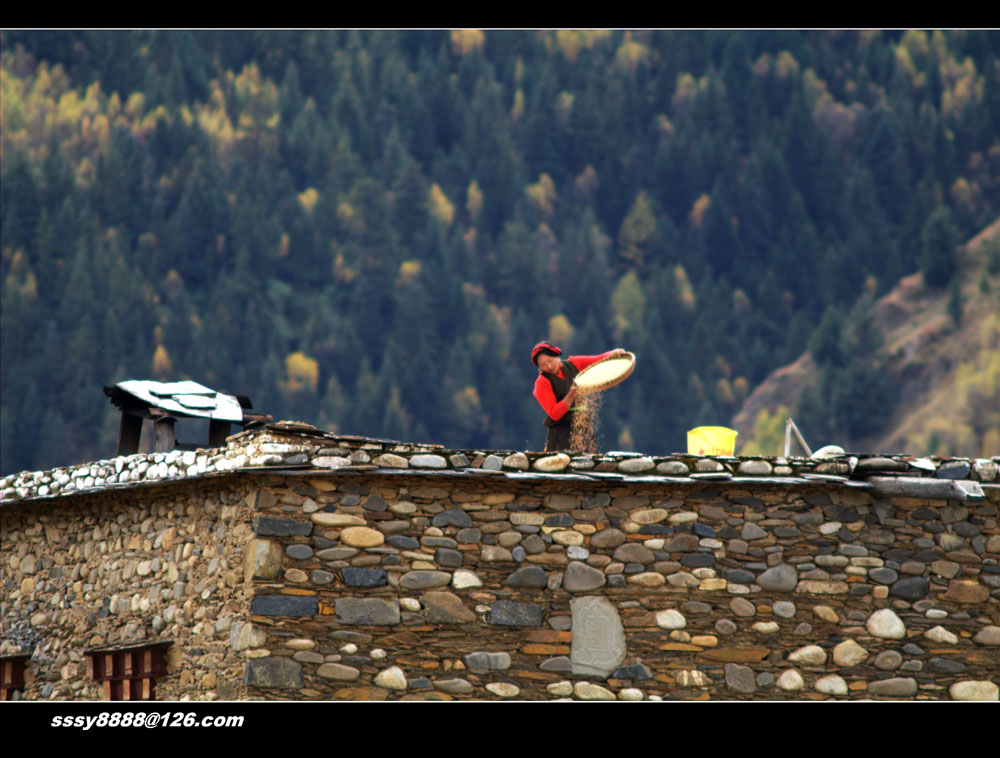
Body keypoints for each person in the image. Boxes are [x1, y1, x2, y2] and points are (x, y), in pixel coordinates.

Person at [531, 342, 627, 452]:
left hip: (582, 422)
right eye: (543, 365)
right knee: (563, 463)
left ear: (557, 356)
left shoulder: (574, 363)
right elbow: (554, 414)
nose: (549, 366)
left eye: (550, 361)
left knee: (589, 461)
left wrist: (612, 354)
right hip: (561, 431)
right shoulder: (541, 383)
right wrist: (571, 395)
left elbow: (598, 360)